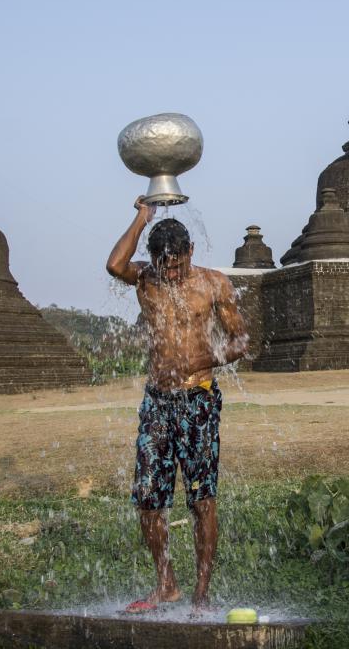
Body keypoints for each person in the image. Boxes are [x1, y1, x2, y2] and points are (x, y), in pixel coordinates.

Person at [106, 197, 249, 613]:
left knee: (202, 497)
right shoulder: (147, 279)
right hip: (158, 402)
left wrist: (207, 358)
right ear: (153, 260)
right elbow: (115, 264)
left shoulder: (213, 283)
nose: (171, 273)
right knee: (148, 496)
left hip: (199, 399)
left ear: (190, 253)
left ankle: (202, 594)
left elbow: (241, 341)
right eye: (163, 266)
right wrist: (141, 217)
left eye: (177, 264)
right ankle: (166, 583)